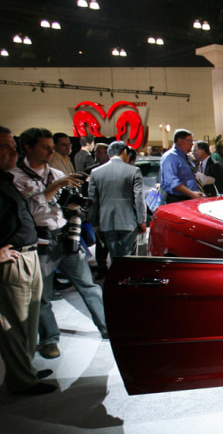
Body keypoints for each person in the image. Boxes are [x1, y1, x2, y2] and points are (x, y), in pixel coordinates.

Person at [11, 128, 109, 359]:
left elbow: (66, 204)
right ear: (28, 148)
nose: (50, 151)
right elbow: (28, 210)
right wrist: (56, 186)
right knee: (43, 296)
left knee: (89, 286)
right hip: (39, 240)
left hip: (66, 236)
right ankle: (49, 339)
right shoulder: (15, 177)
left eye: (51, 147)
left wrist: (74, 205)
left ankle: (107, 329)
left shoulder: (55, 172)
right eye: (45, 147)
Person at [0, 126, 56, 395]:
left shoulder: (5, 180)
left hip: (30, 252)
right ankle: (22, 381)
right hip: (14, 261)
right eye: (5, 146)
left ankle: (26, 371)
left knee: (28, 322)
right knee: (16, 326)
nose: (12, 151)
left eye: (13, 145)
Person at [88, 141, 147, 260]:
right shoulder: (134, 171)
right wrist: (142, 220)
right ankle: (126, 278)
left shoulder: (96, 172)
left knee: (114, 256)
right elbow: (139, 198)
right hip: (128, 220)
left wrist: (94, 223)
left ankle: (116, 277)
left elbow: (93, 201)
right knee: (128, 258)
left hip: (106, 221)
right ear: (124, 152)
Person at [160, 128, 202, 204]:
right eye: (189, 141)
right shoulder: (170, 157)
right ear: (179, 140)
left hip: (189, 197)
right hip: (177, 200)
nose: (192, 144)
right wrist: (191, 193)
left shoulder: (186, 157)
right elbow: (172, 182)